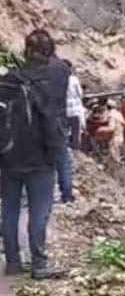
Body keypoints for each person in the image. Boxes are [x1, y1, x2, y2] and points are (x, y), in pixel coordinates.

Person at [0, 29, 69, 279]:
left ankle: (13, 262)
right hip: (41, 155)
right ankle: (39, 263)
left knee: (9, 209)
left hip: (8, 155)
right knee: (39, 210)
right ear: (49, 51)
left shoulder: (9, 80)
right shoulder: (56, 76)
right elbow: (54, 119)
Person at [64, 61, 84, 150]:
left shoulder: (58, 79)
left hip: (65, 110)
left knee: (65, 130)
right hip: (75, 110)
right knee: (76, 131)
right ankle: (75, 147)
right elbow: (80, 93)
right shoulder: (74, 79)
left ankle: (66, 145)